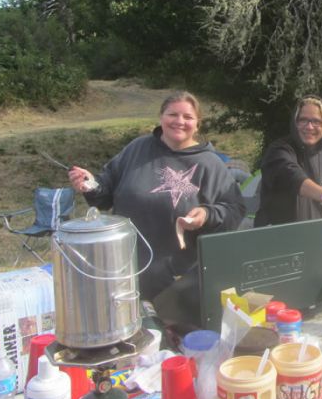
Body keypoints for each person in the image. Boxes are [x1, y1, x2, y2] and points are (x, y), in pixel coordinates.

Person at [68, 91, 245, 301]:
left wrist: (207, 214)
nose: (179, 121)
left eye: (188, 117)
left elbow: (235, 210)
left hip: (176, 279)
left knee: (169, 331)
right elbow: (105, 193)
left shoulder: (209, 164)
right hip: (123, 268)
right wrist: (91, 184)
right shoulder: (137, 149)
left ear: (197, 124)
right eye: (173, 114)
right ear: (161, 117)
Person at [255, 95, 322, 237]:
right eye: (303, 120)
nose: (309, 127)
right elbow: (295, 179)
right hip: (277, 242)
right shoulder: (279, 151)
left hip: (317, 242)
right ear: (295, 122)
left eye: (316, 121)